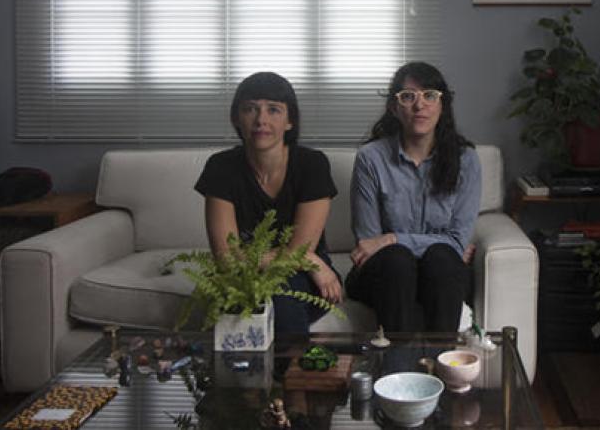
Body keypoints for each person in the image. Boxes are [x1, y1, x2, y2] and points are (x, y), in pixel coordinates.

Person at [194, 71, 342, 334]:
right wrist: (309, 259)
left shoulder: (312, 165)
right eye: (250, 109)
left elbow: (299, 252)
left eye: (273, 110)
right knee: (235, 303)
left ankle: (291, 363)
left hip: (306, 276)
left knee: (280, 299)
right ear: (236, 118)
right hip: (250, 277)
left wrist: (308, 260)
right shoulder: (220, 167)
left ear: (290, 121)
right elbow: (226, 261)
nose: (261, 119)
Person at [347, 62, 481, 332]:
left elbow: (456, 242)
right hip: (385, 274)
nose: (420, 105)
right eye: (408, 97)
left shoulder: (466, 160)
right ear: (394, 107)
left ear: (442, 105)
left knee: (442, 258)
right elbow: (368, 245)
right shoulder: (370, 159)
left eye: (430, 95)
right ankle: (397, 358)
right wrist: (401, 245)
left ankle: (441, 358)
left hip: (440, 275)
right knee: (398, 261)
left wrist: (392, 238)